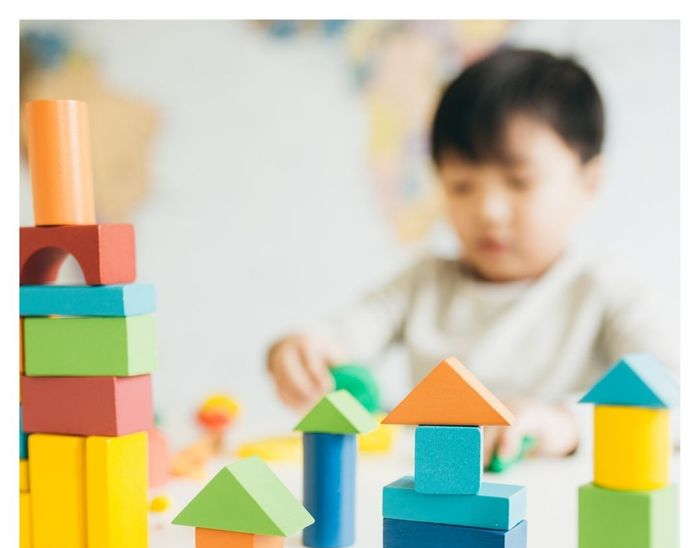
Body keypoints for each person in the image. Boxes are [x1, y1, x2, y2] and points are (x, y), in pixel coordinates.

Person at [267, 48, 678, 462]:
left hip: (563, 510)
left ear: (588, 183)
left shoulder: (607, 287)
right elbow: (342, 334)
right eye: (462, 185)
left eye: (519, 182)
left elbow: (677, 399)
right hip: (437, 505)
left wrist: (567, 423)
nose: (489, 211)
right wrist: (302, 349)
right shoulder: (422, 282)